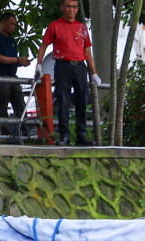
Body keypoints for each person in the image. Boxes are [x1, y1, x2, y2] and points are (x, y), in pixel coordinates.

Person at [37, 0, 101, 147]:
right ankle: (64, 135)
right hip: (62, 66)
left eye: (74, 7)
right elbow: (44, 45)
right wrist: (39, 64)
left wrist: (93, 73)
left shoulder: (82, 27)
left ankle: (81, 136)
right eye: (68, 6)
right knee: (63, 100)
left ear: (77, 9)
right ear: (62, 7)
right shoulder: (54, 26)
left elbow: (87, 51)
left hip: (80, 66)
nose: (71, 10)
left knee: (82, 101)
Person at [0, 11, 28, 143]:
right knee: (2, 100)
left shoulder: (11, 40)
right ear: (3, 22)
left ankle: (25, 132)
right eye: (12, 24)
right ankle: (4, 132)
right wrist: (16, 60)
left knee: (20, 102)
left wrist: (20, 62)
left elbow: (11, 60)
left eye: (15, 25)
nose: (13, 27)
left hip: (12, 75)